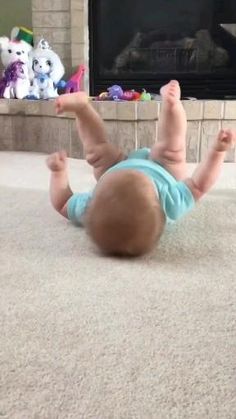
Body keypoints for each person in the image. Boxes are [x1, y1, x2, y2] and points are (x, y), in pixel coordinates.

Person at [47, 80, 235, 256]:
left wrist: (58, 173)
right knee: (172, 148)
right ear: (157, 203)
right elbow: (198, 185)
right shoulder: (169, 204)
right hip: (163, 169)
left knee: (97, 152)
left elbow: (63, 203)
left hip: (116, 165)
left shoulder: (92, 207)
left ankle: (82, 108)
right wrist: (218, 151)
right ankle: (172, 105)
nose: (135, 171)